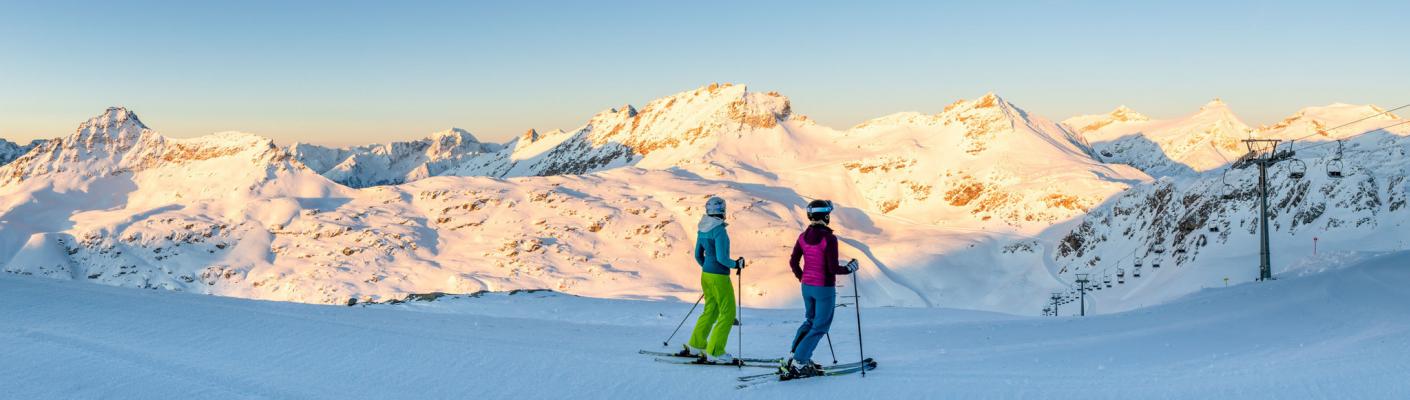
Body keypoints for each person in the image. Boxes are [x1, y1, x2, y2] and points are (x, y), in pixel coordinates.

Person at [784, 199, 859, 378]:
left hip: (807, 287)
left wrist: (802, 277)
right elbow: (833, 268)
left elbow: (793, 262)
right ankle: (800, 362)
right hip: (824, 288)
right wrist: (849, 268)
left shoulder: (802, 237)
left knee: (810, 321)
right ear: (826, 216)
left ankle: (795, 355)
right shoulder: (829, 239)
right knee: (820, 326)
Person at [679, 196, 744, 364]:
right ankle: (715, 351)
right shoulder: (719, 230)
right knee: (728, 313)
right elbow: (722, 258)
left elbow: (697, 255)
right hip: (719, 277)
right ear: (723, 210)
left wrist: (707, 267)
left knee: (711, 310)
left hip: (706, 275)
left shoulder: (702, 228)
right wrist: (736, 264)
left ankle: (696, 345)